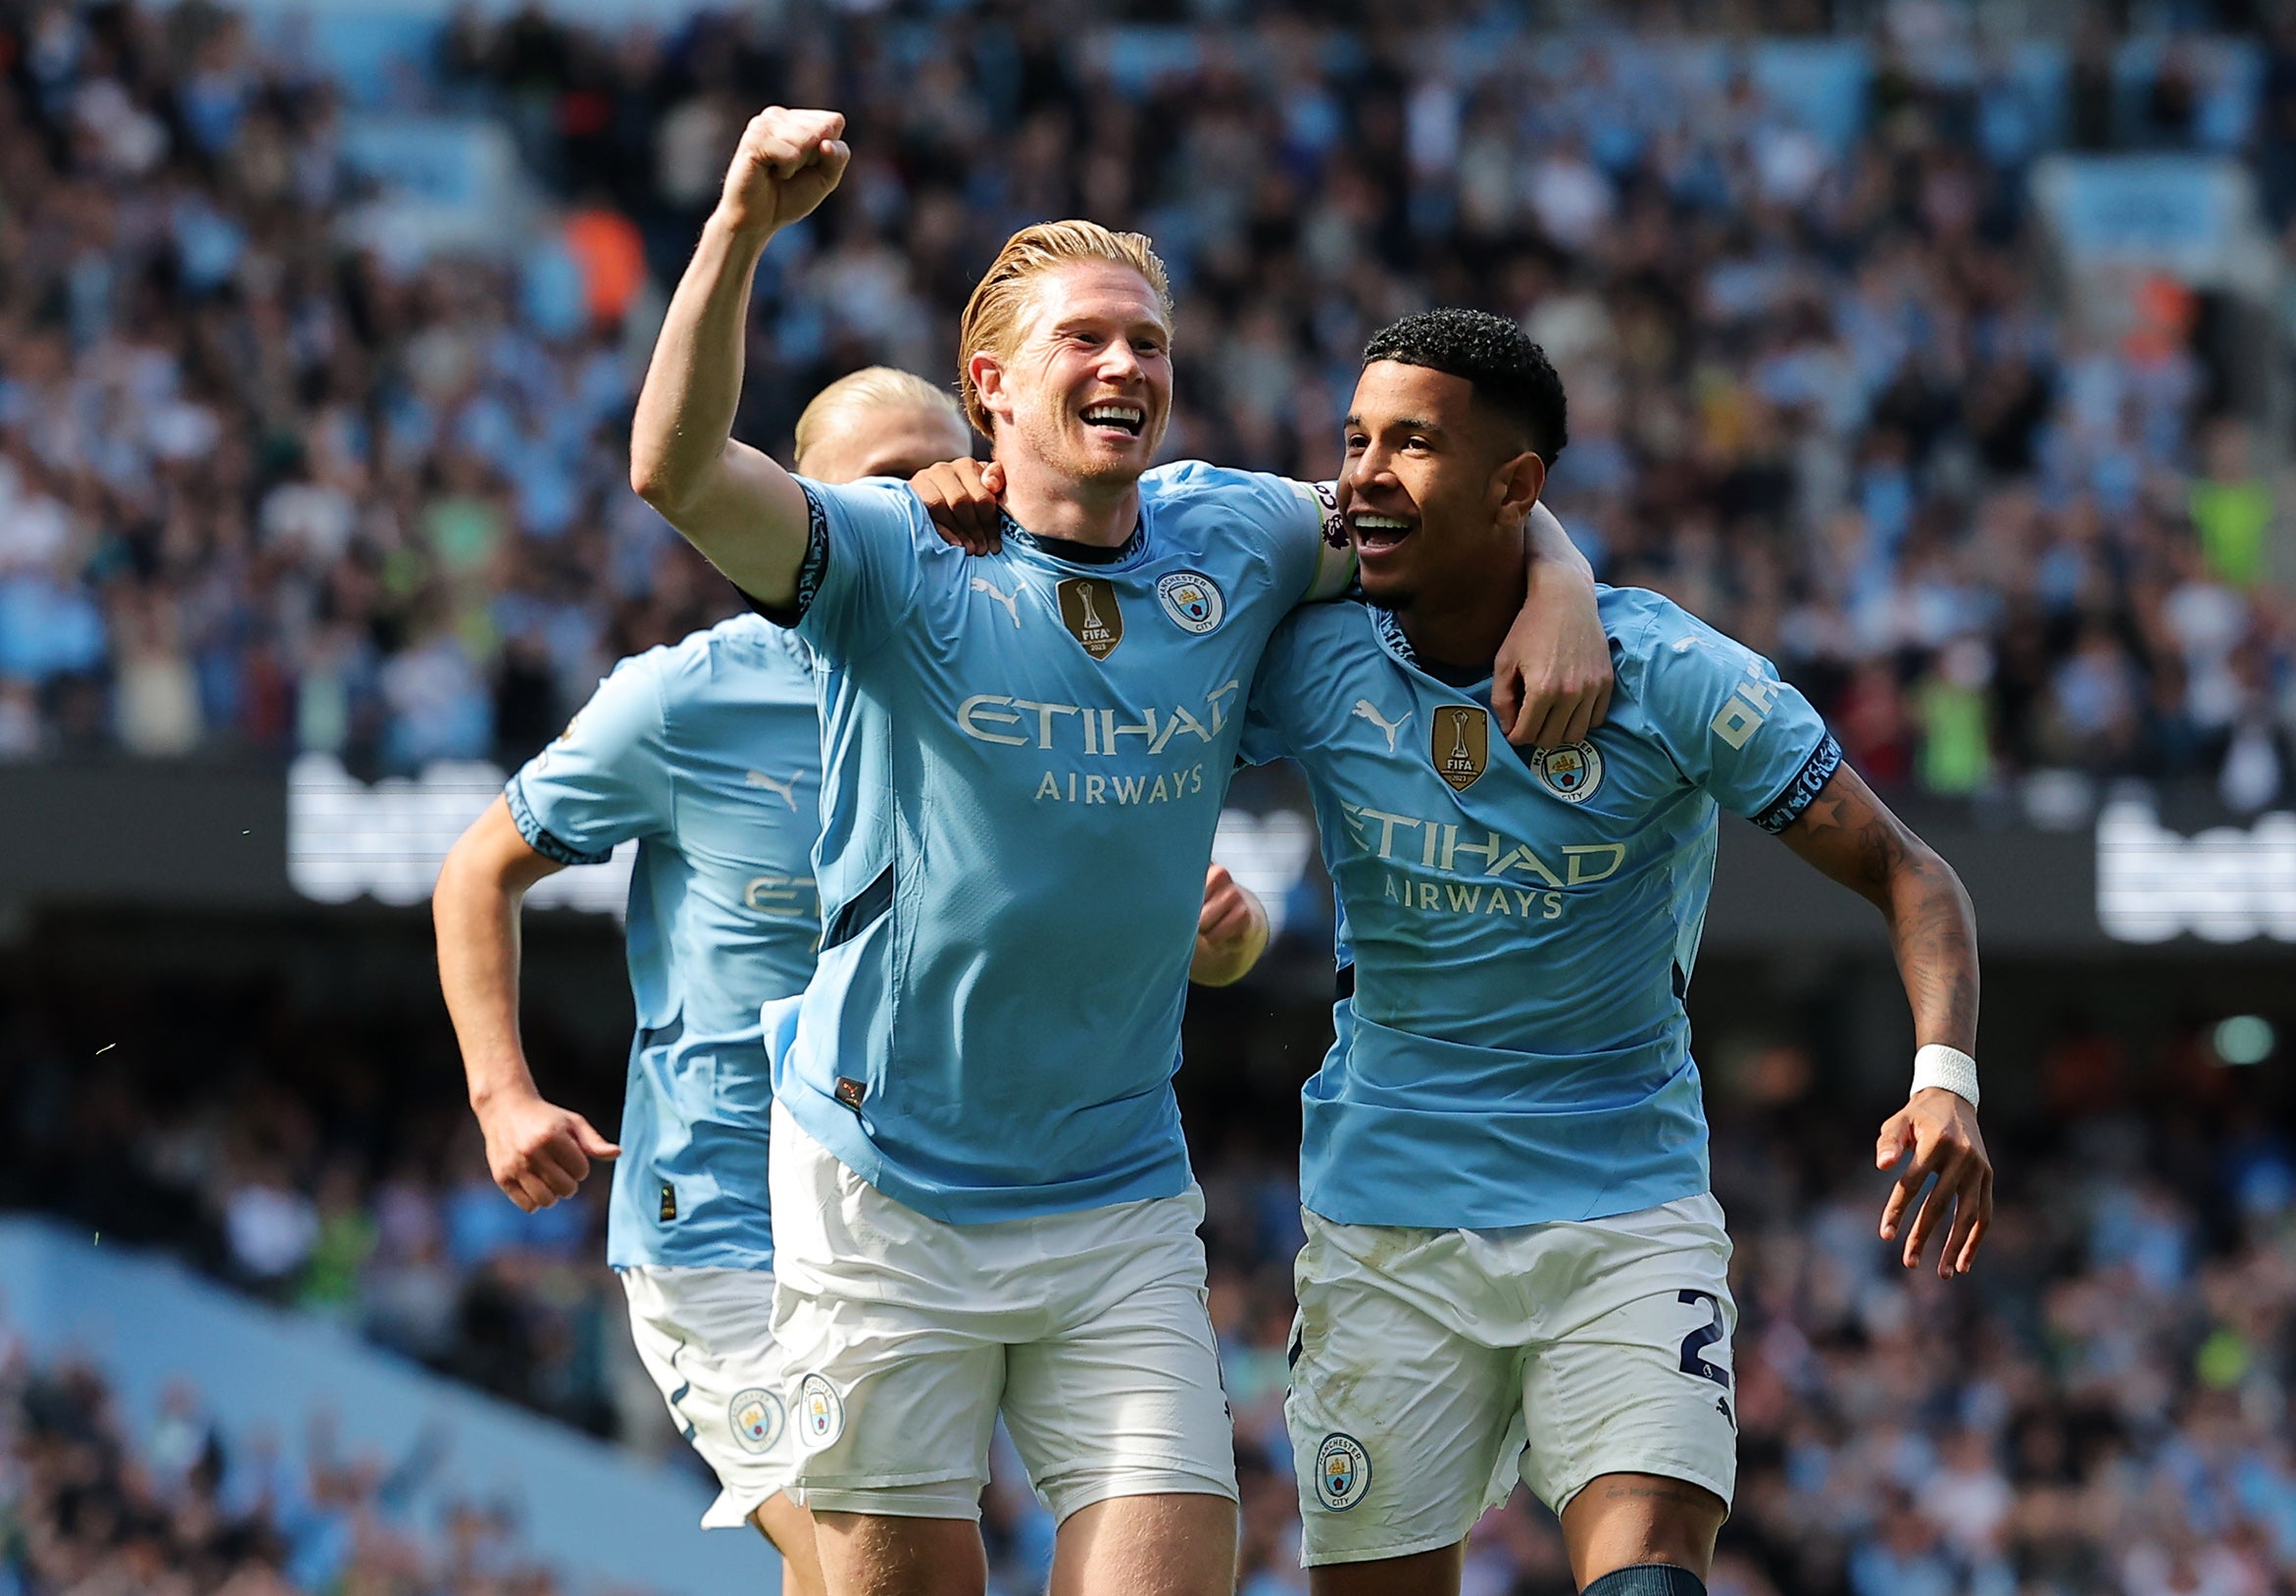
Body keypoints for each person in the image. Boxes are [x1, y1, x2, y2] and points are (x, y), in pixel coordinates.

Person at [624, 108, 1611, 1596]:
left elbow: (1451, 504)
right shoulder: (895, 561)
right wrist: (741, 227)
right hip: (879, 1192)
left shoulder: (1238, 535)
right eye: (1085, 339)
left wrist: (1566, 585)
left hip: (1116, 1193)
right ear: (992, 387)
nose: (1126, 367)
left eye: (1149, 343)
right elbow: (677, 474)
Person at [433, 367, 1276, 1596]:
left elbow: (1186, 919)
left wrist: (1228, 939)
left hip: (945, 1202)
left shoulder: (1020, 666)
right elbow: (478, 869)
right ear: (798, 505)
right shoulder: (687, 698)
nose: (943, 493)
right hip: (727, 1228)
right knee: (845, 1558)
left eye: (957, 464)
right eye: (890, 477)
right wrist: (502, 1094)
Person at [1231, 309, 1994, 1596]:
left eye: (1407, 444)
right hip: (1383, 1224)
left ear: (1513, 486)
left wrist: (1944, 1078)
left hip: (1624, 1211)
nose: (1359, 472)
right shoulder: (1311, 653)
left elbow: (1909, 873)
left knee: (1646, 1580)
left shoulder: (1671, 674)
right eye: (1353, 438)